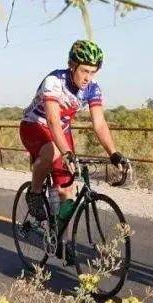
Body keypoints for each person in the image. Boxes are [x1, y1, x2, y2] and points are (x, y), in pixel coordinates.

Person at [19, 39, 130, 223]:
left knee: (67, 191)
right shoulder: (54, 82)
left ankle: (62, 244)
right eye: (84, 71)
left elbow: (99, 124)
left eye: (93, 72)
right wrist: (66, 153)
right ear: (71, 65)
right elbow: (52, 120)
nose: (88, 78)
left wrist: (114, 154)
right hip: (34, 126)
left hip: (61, 130)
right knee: (53, 151)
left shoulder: (92, 89)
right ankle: (35, 192)